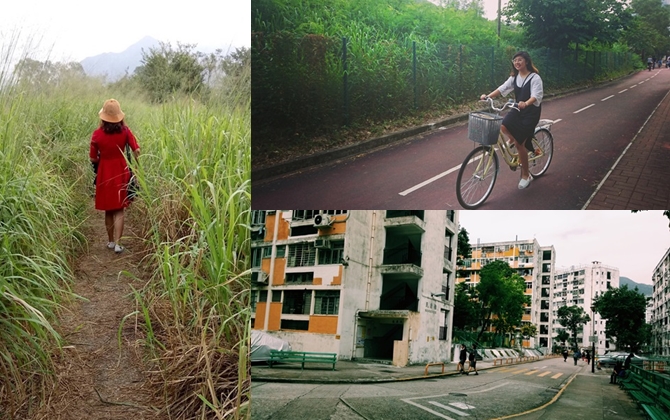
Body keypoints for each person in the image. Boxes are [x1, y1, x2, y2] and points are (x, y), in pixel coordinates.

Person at [480, 51, 544, 190]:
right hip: (518, 109)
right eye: (515, 61)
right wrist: (488, 96)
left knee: (521, 144)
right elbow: (502, 88)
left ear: (526, 61)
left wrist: (526, 103)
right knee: (503, 126)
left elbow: (536, 96)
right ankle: (513, 140)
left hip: (530, 113)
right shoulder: (514, 78)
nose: (517, 63)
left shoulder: (535, 78)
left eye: (520, 60)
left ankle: (526, 175)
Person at [90, 99, 141, 253]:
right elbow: (136, 150)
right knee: (119, 209)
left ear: (103, 117)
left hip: (104, 173)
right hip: (122, 171)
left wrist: (101, 159)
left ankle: (111, 241)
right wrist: (136, 166)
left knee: (109, 209)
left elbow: (93, 158)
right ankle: (119, 244)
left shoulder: (97, 134)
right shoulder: (125, 131)